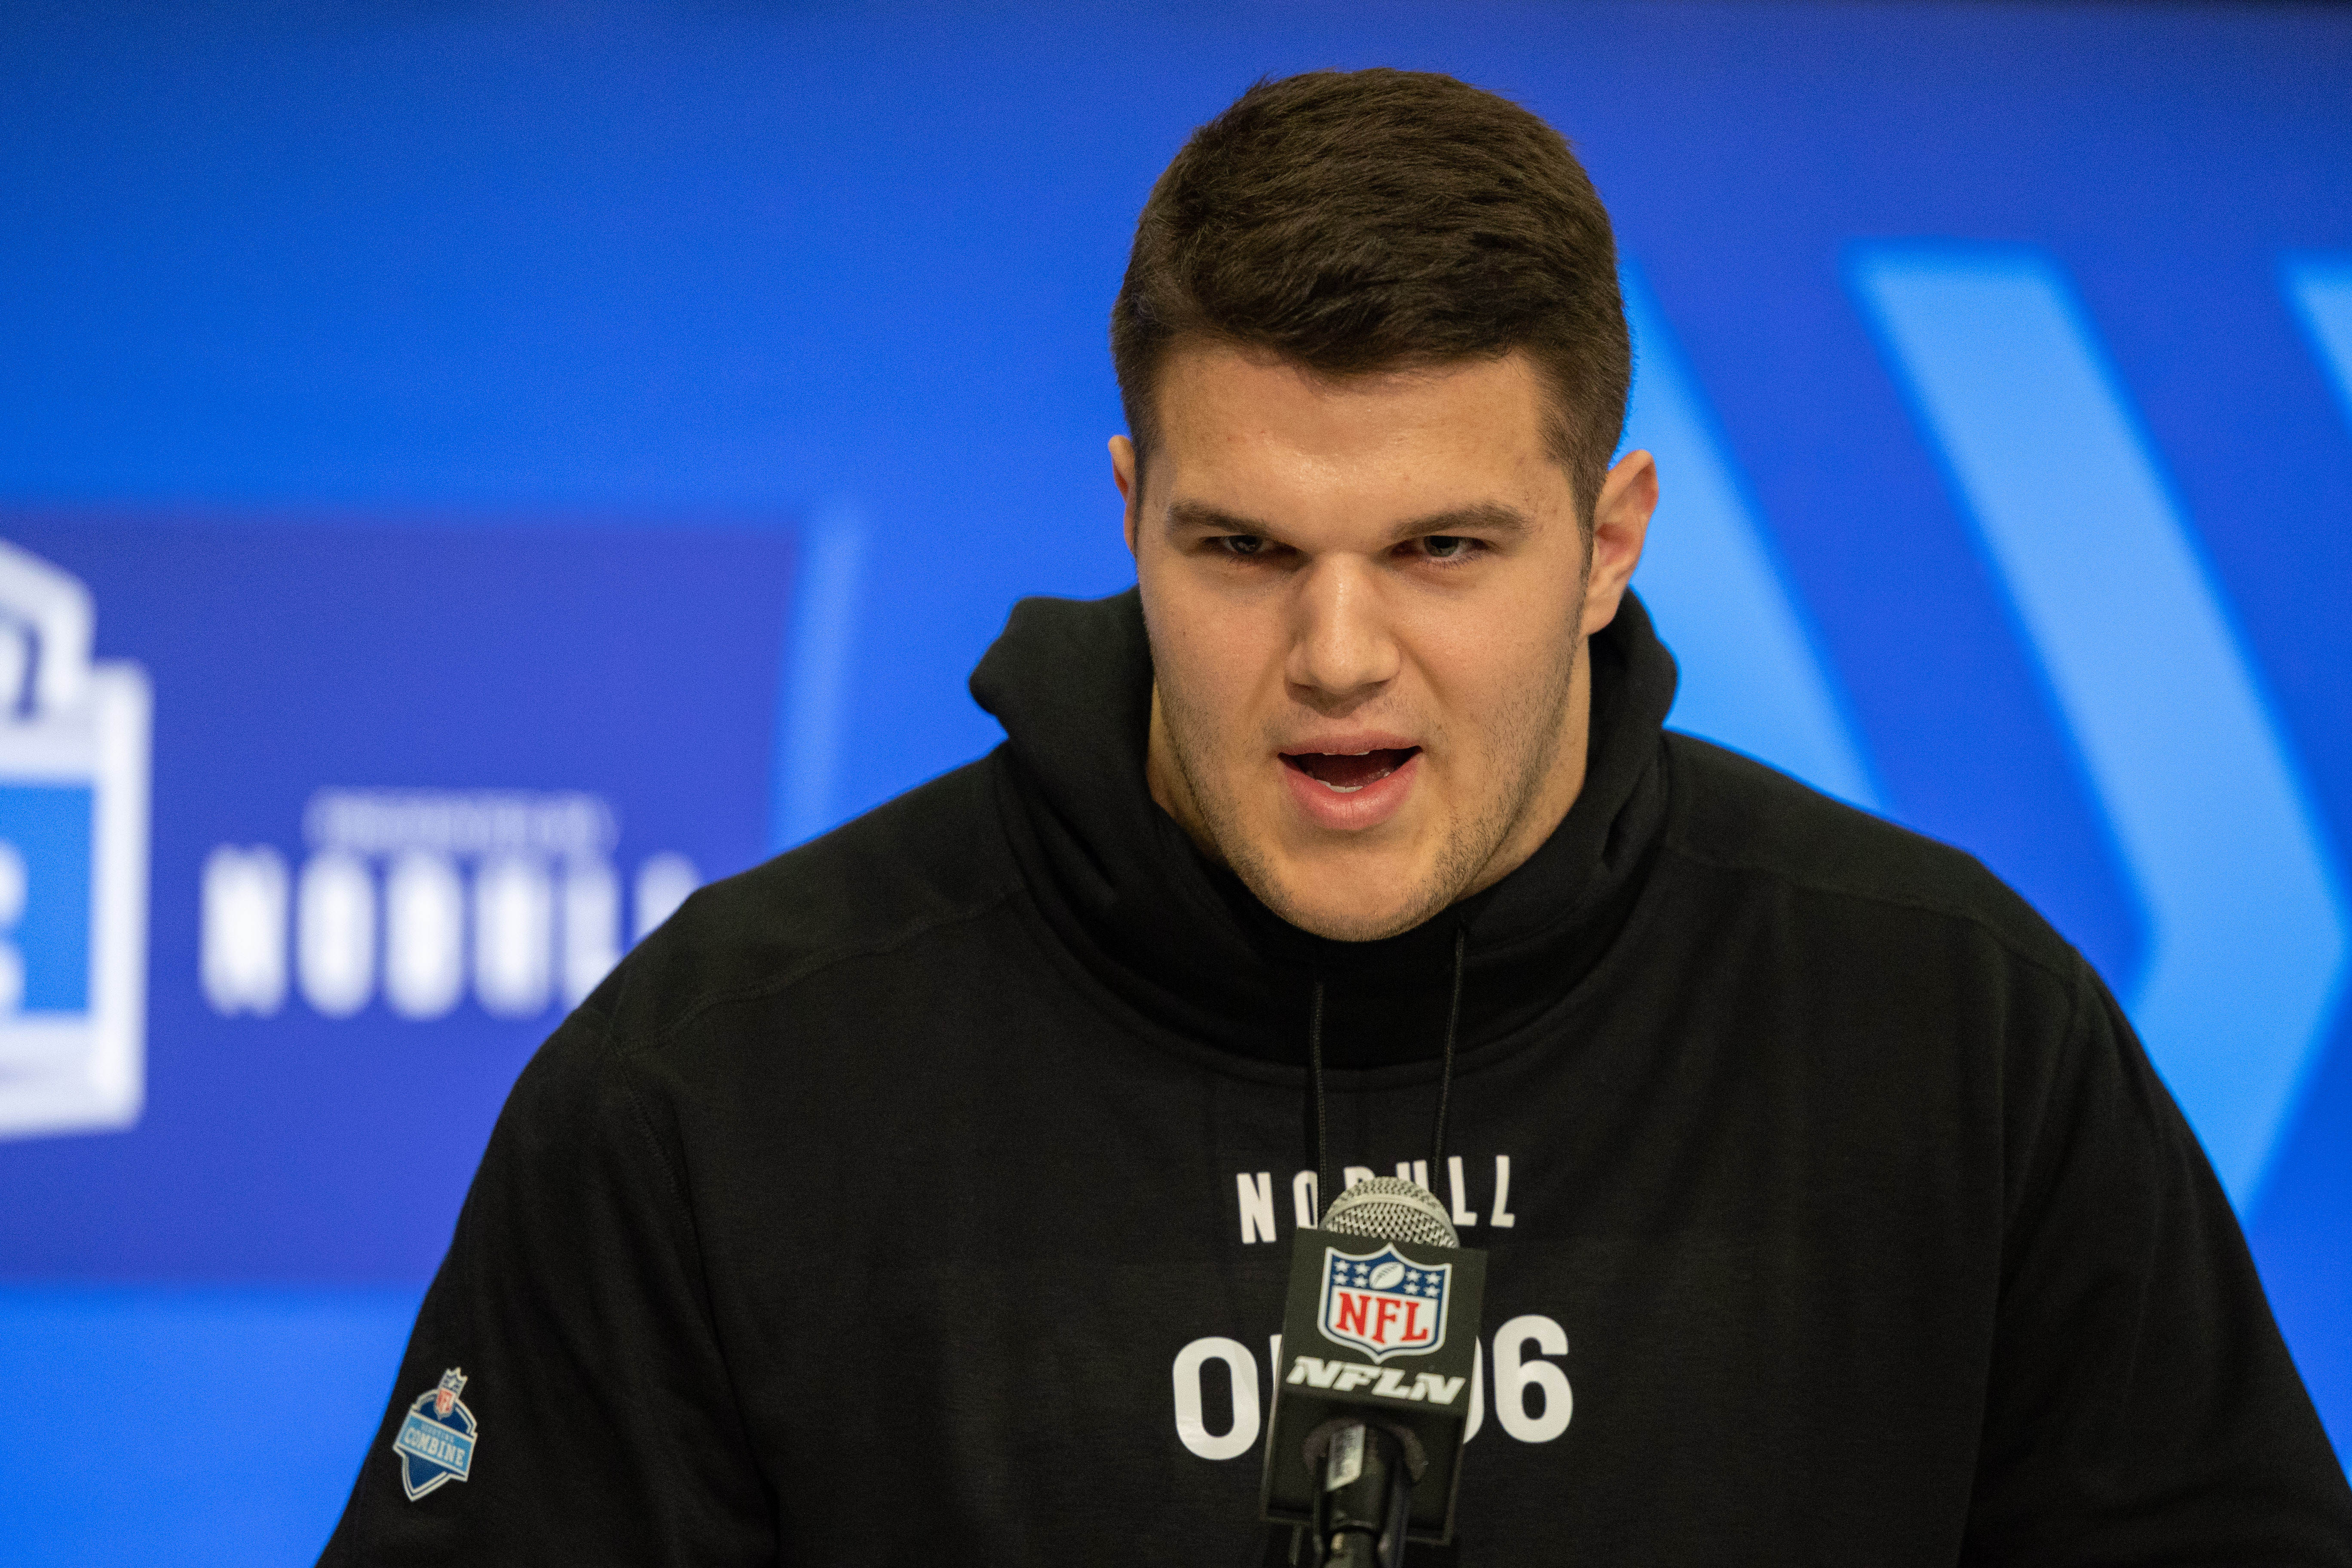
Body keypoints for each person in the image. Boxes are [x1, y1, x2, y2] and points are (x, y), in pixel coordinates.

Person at [320, 69, 2352, 1565]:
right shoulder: (726, 1075)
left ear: (1610, 540)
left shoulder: (1955, 1031)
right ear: (1132, 513)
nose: (1339, 656)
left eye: (1444, 547)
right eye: (1246, 549)